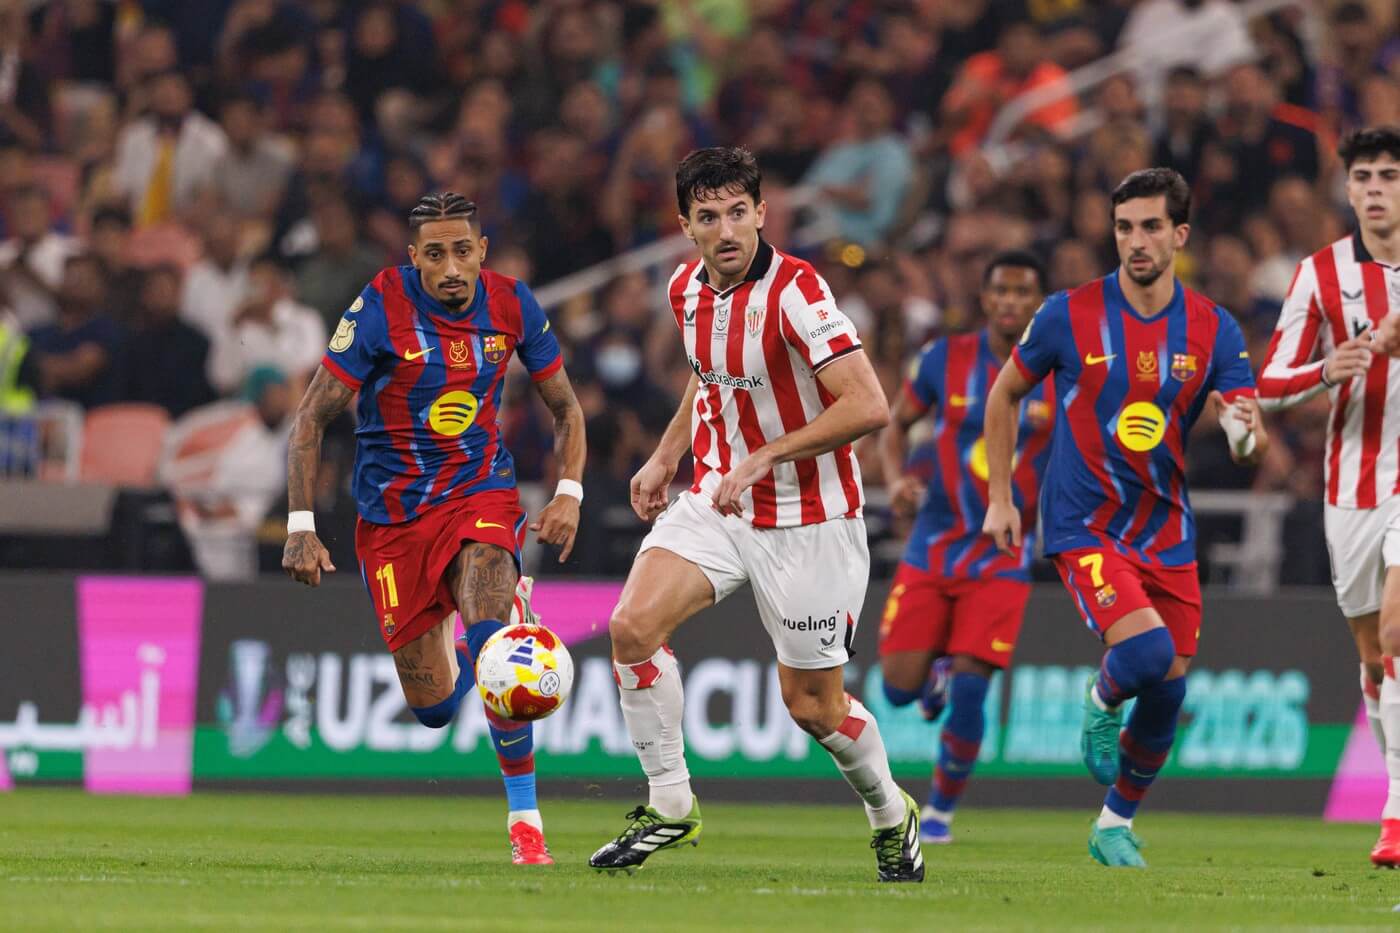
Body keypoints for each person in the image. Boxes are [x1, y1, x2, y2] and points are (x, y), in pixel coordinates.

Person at [588, 147, 923, 882]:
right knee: (631, 628)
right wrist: (667, 454)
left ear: (762, 213)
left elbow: (869, 404)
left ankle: (890, 812)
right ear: (686, 226)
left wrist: (765, 456)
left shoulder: (797, 292)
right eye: (708, 217)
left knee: (813, 708)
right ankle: (671, 804)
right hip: (720, 500)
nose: (727, 229)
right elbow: (709, 377)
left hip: (811, 518)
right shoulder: (685, 289)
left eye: (739, 212)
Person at [280, 193, 586, 866]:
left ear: (482, 251)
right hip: (393, 519)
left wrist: (569, 491)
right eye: (436, 254)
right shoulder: (379, 306)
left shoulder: (512, 303)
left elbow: (565, 407)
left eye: (463, 251)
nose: (451, 268)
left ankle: (526, 823)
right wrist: (301, 525)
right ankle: (476, 640)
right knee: (435, 710)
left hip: (479, 491)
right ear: (414, 257)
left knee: (492, 638)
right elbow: (310, 419)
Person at [982, 168, 1268, 868]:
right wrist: (1001, 497)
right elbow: (1004, 394)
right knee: (1141, 657)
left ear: (1180, 234)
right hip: (1084, 522)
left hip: (1165, 527)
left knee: (1169, 690)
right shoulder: (1067, 313)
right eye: (1124, 227)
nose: (1136, 241)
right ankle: (1102, 698)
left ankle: (1113, 824)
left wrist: (1244, 437)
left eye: (1150, 227)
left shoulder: (1214, 327)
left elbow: (1248, 427)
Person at [877, 250, 1053, 845]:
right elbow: (896, 425)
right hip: (934, 542)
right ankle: (933, 675)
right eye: (1000, 290)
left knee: (975, 685)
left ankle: (941, 813)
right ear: (985, 299)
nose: (1010, 301)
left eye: (1022, 292)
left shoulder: (1059, 372)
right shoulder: (944, 359)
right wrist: (897, 481)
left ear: (1039, 303)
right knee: (896, 689)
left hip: (1003, 551)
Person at [1270, 127, 1400, 867]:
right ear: (1347, 189)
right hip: (1352, 482)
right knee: (1375, 659)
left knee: (1397, 633)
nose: (1375, 188)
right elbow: (1269, 383)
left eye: (1389, 175)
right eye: (1364, 177)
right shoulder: (1320, 274)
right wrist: (1329, 367)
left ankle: (1396, 811)